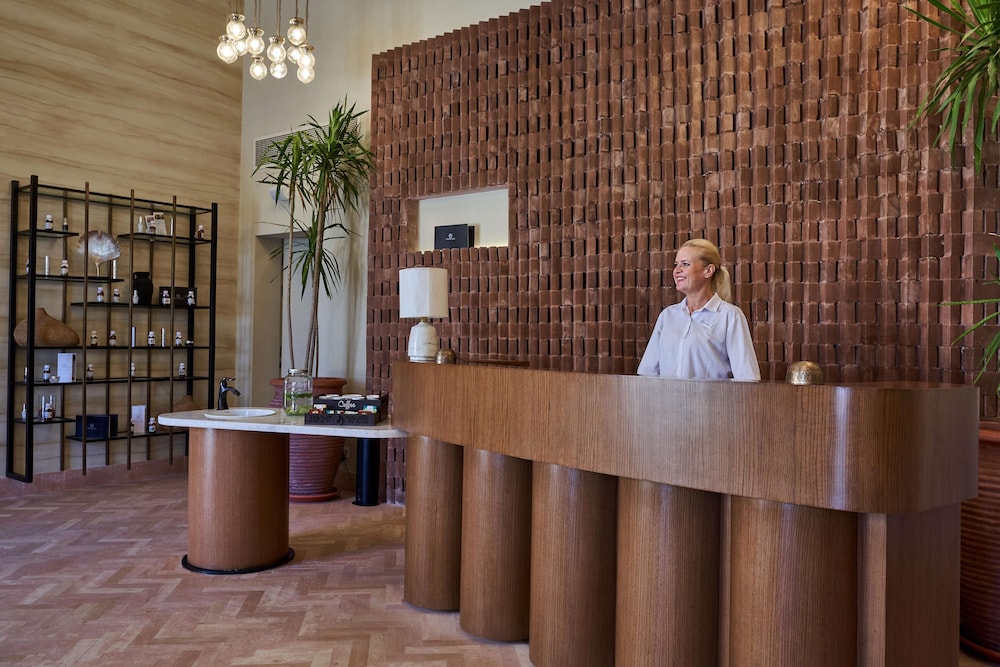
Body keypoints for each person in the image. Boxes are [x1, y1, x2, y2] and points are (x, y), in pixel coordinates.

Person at [637, 238, 760, 381]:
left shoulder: (730, 316)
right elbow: (647, 374)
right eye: (676, 264)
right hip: (666, 396)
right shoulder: (667, 316)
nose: (677, 270)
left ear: (708, 271)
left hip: (711, 397)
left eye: (685, 264)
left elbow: (747, 379)